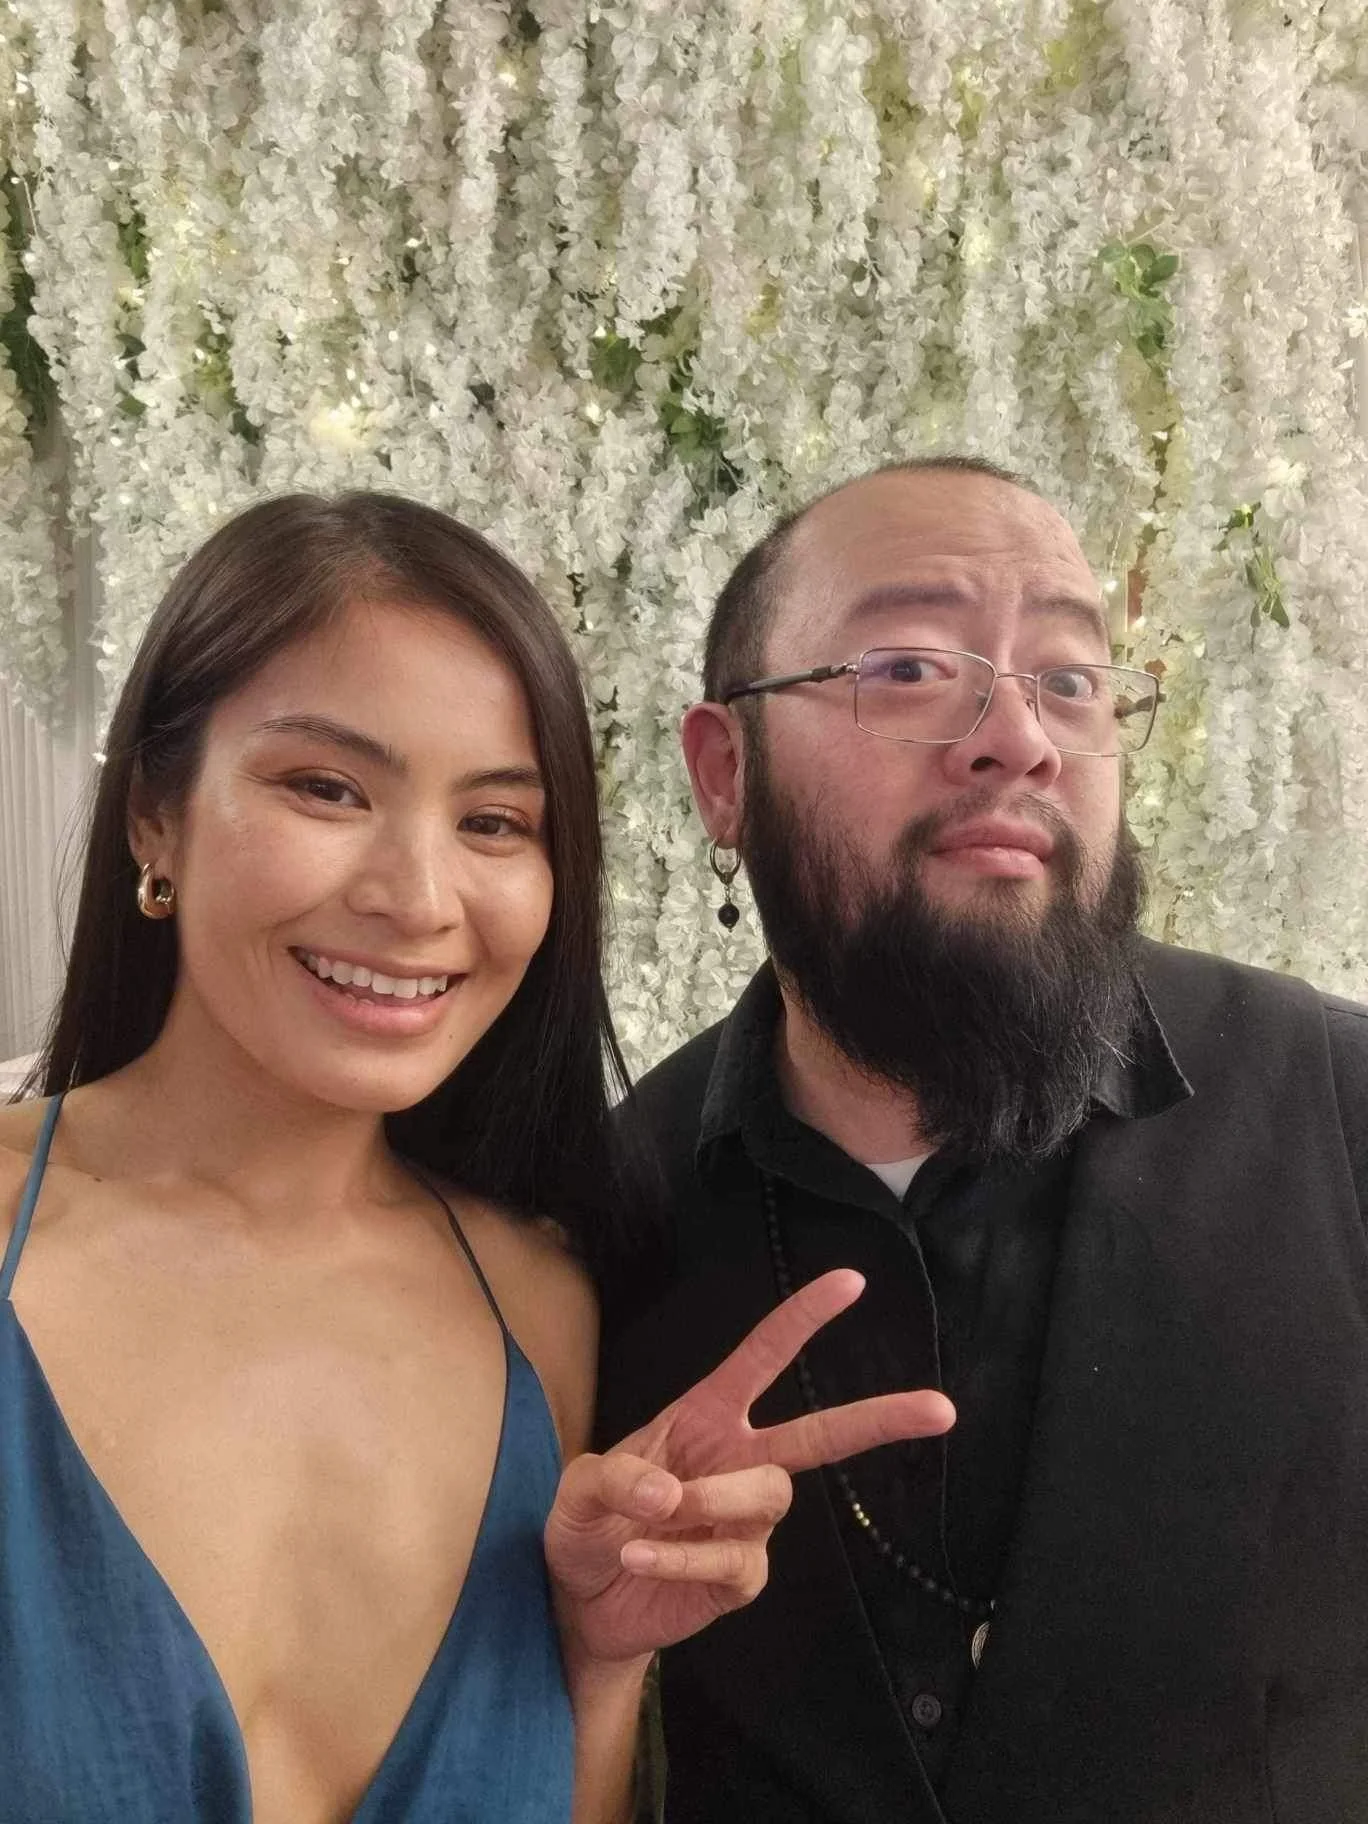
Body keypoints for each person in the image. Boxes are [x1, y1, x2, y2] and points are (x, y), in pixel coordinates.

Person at [0, 492, 954, 1824]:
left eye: (495, 824)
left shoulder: (537, 1303)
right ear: (156, 816)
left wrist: (600, 1654)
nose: (418, 897)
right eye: (326, 788)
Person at [597, 456, 1368, 1824]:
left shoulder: (1335, 1112)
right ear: (725, 773)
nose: (1018, 735)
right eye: (905, 667)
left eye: (1071, 678)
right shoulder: (601, 1212)